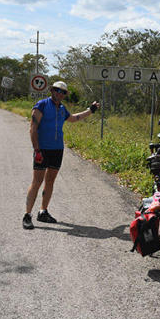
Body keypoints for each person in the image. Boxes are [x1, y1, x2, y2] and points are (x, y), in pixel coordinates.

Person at [23, 81, 100, 229]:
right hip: (42, 150)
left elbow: (74, 118)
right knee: (37, 182)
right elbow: (32, 129)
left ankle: (43, 212)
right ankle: (27, 215)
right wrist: (37, 150)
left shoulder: (62, 109)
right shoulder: (41, 105)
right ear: (52, 90)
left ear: (65, 95)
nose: (59, 93)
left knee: (50, 181)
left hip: (57, 150)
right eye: (57, 90)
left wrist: (90, 110)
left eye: (63, 92)